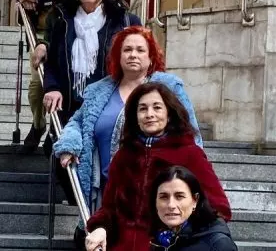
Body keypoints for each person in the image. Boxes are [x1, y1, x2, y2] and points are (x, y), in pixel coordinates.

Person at [55, 26, 203, 246]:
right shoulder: (99, 91)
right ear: (118, 55)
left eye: (140, 50)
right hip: (105, 191)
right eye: (127, 50)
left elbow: (191, 134)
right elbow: (77, 122)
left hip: (152, 191)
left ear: (151, 55)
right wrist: (69, 143)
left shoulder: (169, 88)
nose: (133, 55)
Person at [83, 83, 231, 251]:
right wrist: (101, 228)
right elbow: (108, 208)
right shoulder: (123, 157)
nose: (150, 114)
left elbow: (219, 208)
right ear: (135, 116)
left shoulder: (191, 155)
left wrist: (178, 235)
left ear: (169, 114)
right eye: (143, 109)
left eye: (157, 107)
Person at [13, 0, 87, 150]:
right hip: (40, 32)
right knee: (36, 88)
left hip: (69, 28)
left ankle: (57, 130)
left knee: (62, 82)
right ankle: (38, 124)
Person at [149, 166, 237, 251]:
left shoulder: (218, 244)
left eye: (179, 196)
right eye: (164, 197)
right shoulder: (159, 240)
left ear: (195, 200)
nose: (171, 205)